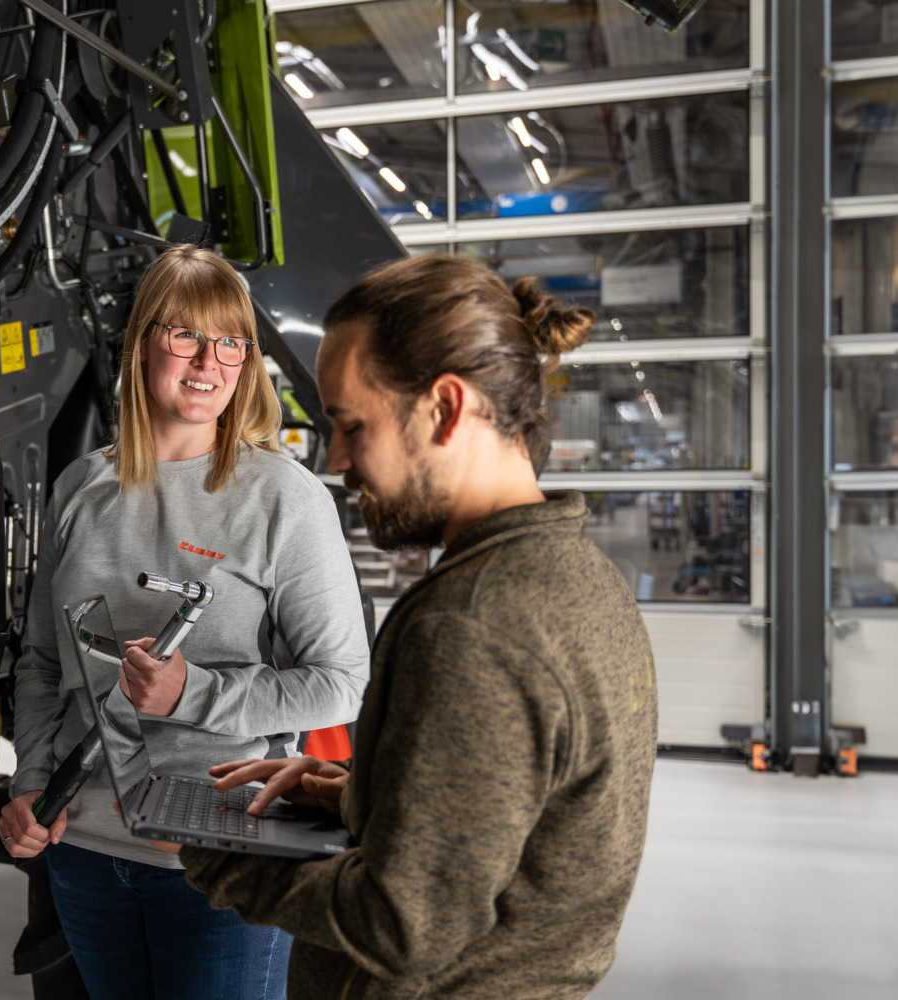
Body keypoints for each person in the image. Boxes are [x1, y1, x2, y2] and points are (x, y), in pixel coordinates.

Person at [169, 254, 660, 1000]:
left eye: (350, 424)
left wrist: (219, 856)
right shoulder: (581, 581)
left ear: (446, 408)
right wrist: (363, 797)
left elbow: (405, 926)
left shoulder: (472, 626)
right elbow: (513, 836)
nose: (336, 461)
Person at [0, 244, 372, 1000]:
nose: (209, 361)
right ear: (142, 345)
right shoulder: (81, 486)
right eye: (185, 336)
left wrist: (191, 695)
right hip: (86, 851)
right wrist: (33, 784)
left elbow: (340, 685)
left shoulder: (283, 498)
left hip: (222, 851)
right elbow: (41, 660)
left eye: (231, 342)